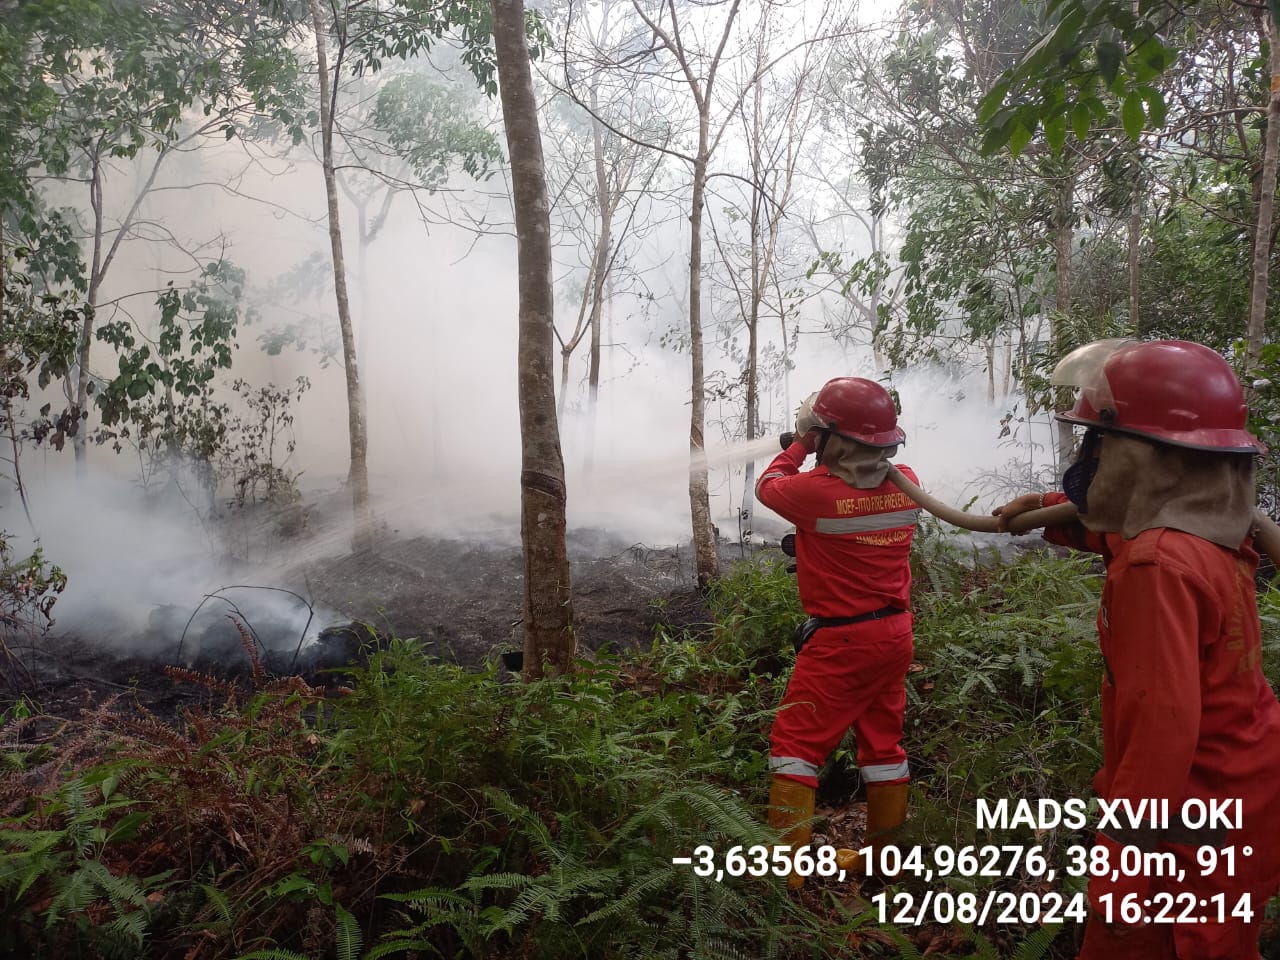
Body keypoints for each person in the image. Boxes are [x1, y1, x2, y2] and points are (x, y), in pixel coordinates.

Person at [994, 339, 1280, 959]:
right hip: (1242, 799)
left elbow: (1162, 733)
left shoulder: (1156, 565)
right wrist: (1048, 510)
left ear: (1136, 456)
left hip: (1190, 821)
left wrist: (1122, 870)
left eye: (1098, 444)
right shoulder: (1207, 532)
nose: (1089, 457)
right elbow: (1117, 528)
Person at [755, 376, 920, 887]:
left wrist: (801, 444)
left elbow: (767, 485)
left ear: (833, 438)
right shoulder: (906, 481)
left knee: (794, 747)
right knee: (884, 749)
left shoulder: (813, 494)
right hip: (894, 636)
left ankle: (785, 879)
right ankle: (883, 862)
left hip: (841, 643)